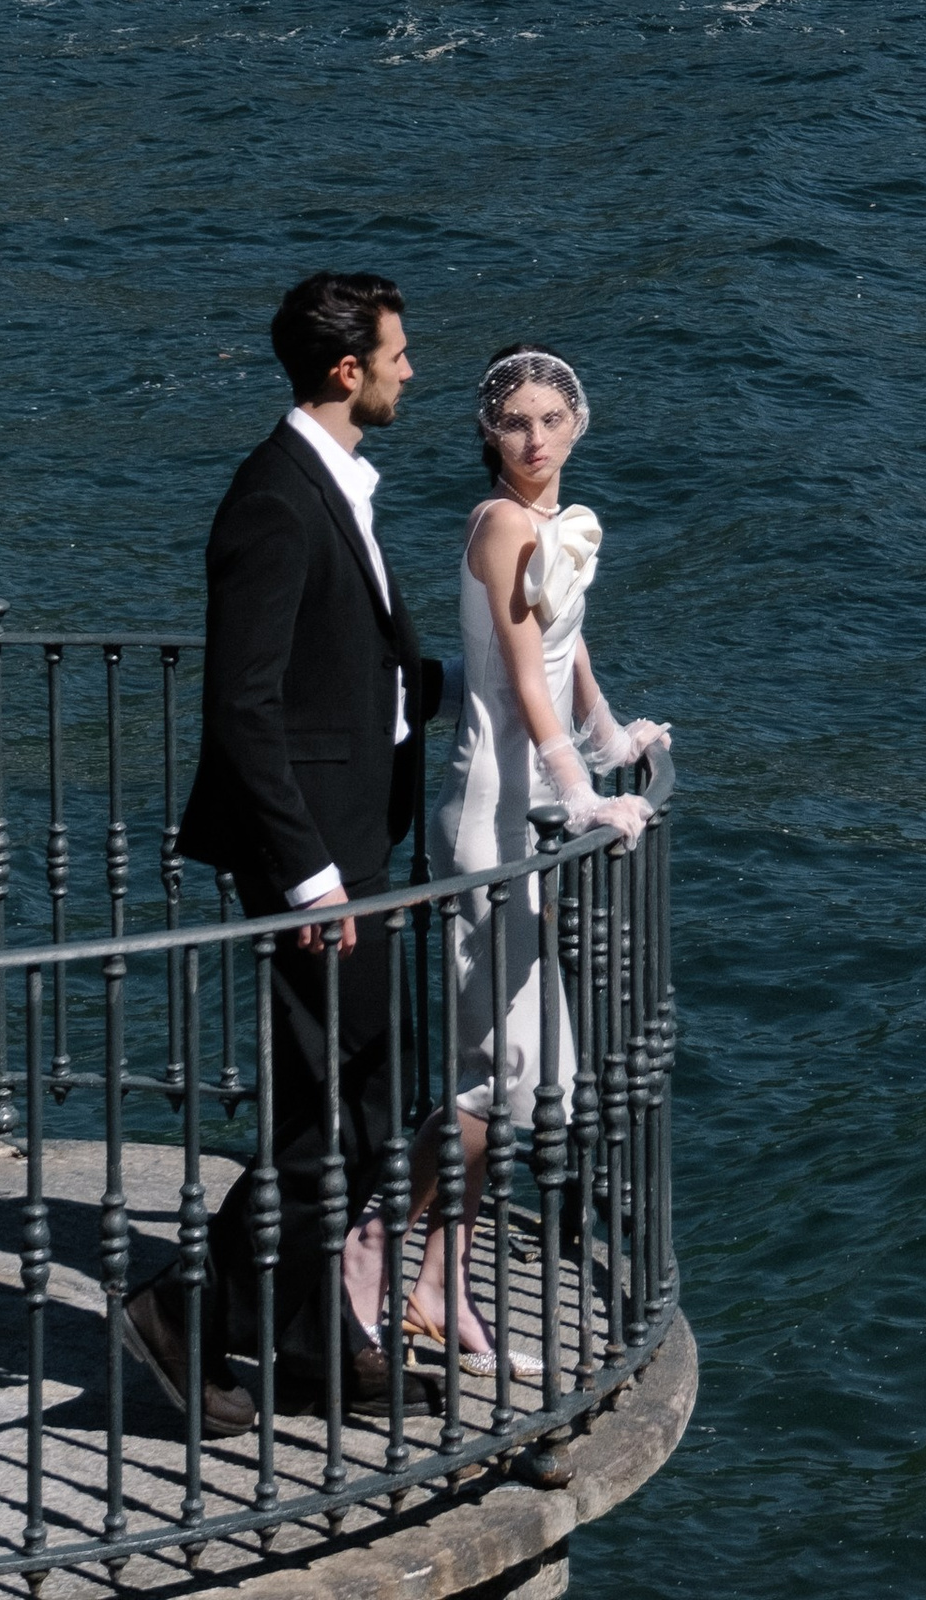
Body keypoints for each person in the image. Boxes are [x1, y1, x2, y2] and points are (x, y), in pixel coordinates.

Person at [124, 268, 445, 1430]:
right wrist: (308, 873)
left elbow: (342, 663)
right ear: (346, 370)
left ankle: (310, 1345)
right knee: (347, 1107)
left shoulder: (336, 483)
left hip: (349, 834)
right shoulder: (271, 498)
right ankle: (183, 1312)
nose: (414, 368)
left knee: (359, 1090)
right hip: (312, 856)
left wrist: (445, 689)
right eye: (398, 352)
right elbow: (244, 706)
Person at [405, 345, 665, 1374]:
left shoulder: (555, 525)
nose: (535, 437)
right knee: (514, 1072)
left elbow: (568, 653)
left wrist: (614, 745)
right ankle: (391, 1248)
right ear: (488, 434)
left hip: (529, 815)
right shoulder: (502, 523)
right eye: (514, 421)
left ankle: (436, 1281)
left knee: (507, 1075)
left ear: (579, 425)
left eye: (552, 417)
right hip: (491, 819)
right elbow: (518, 680)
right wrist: (583, 795)